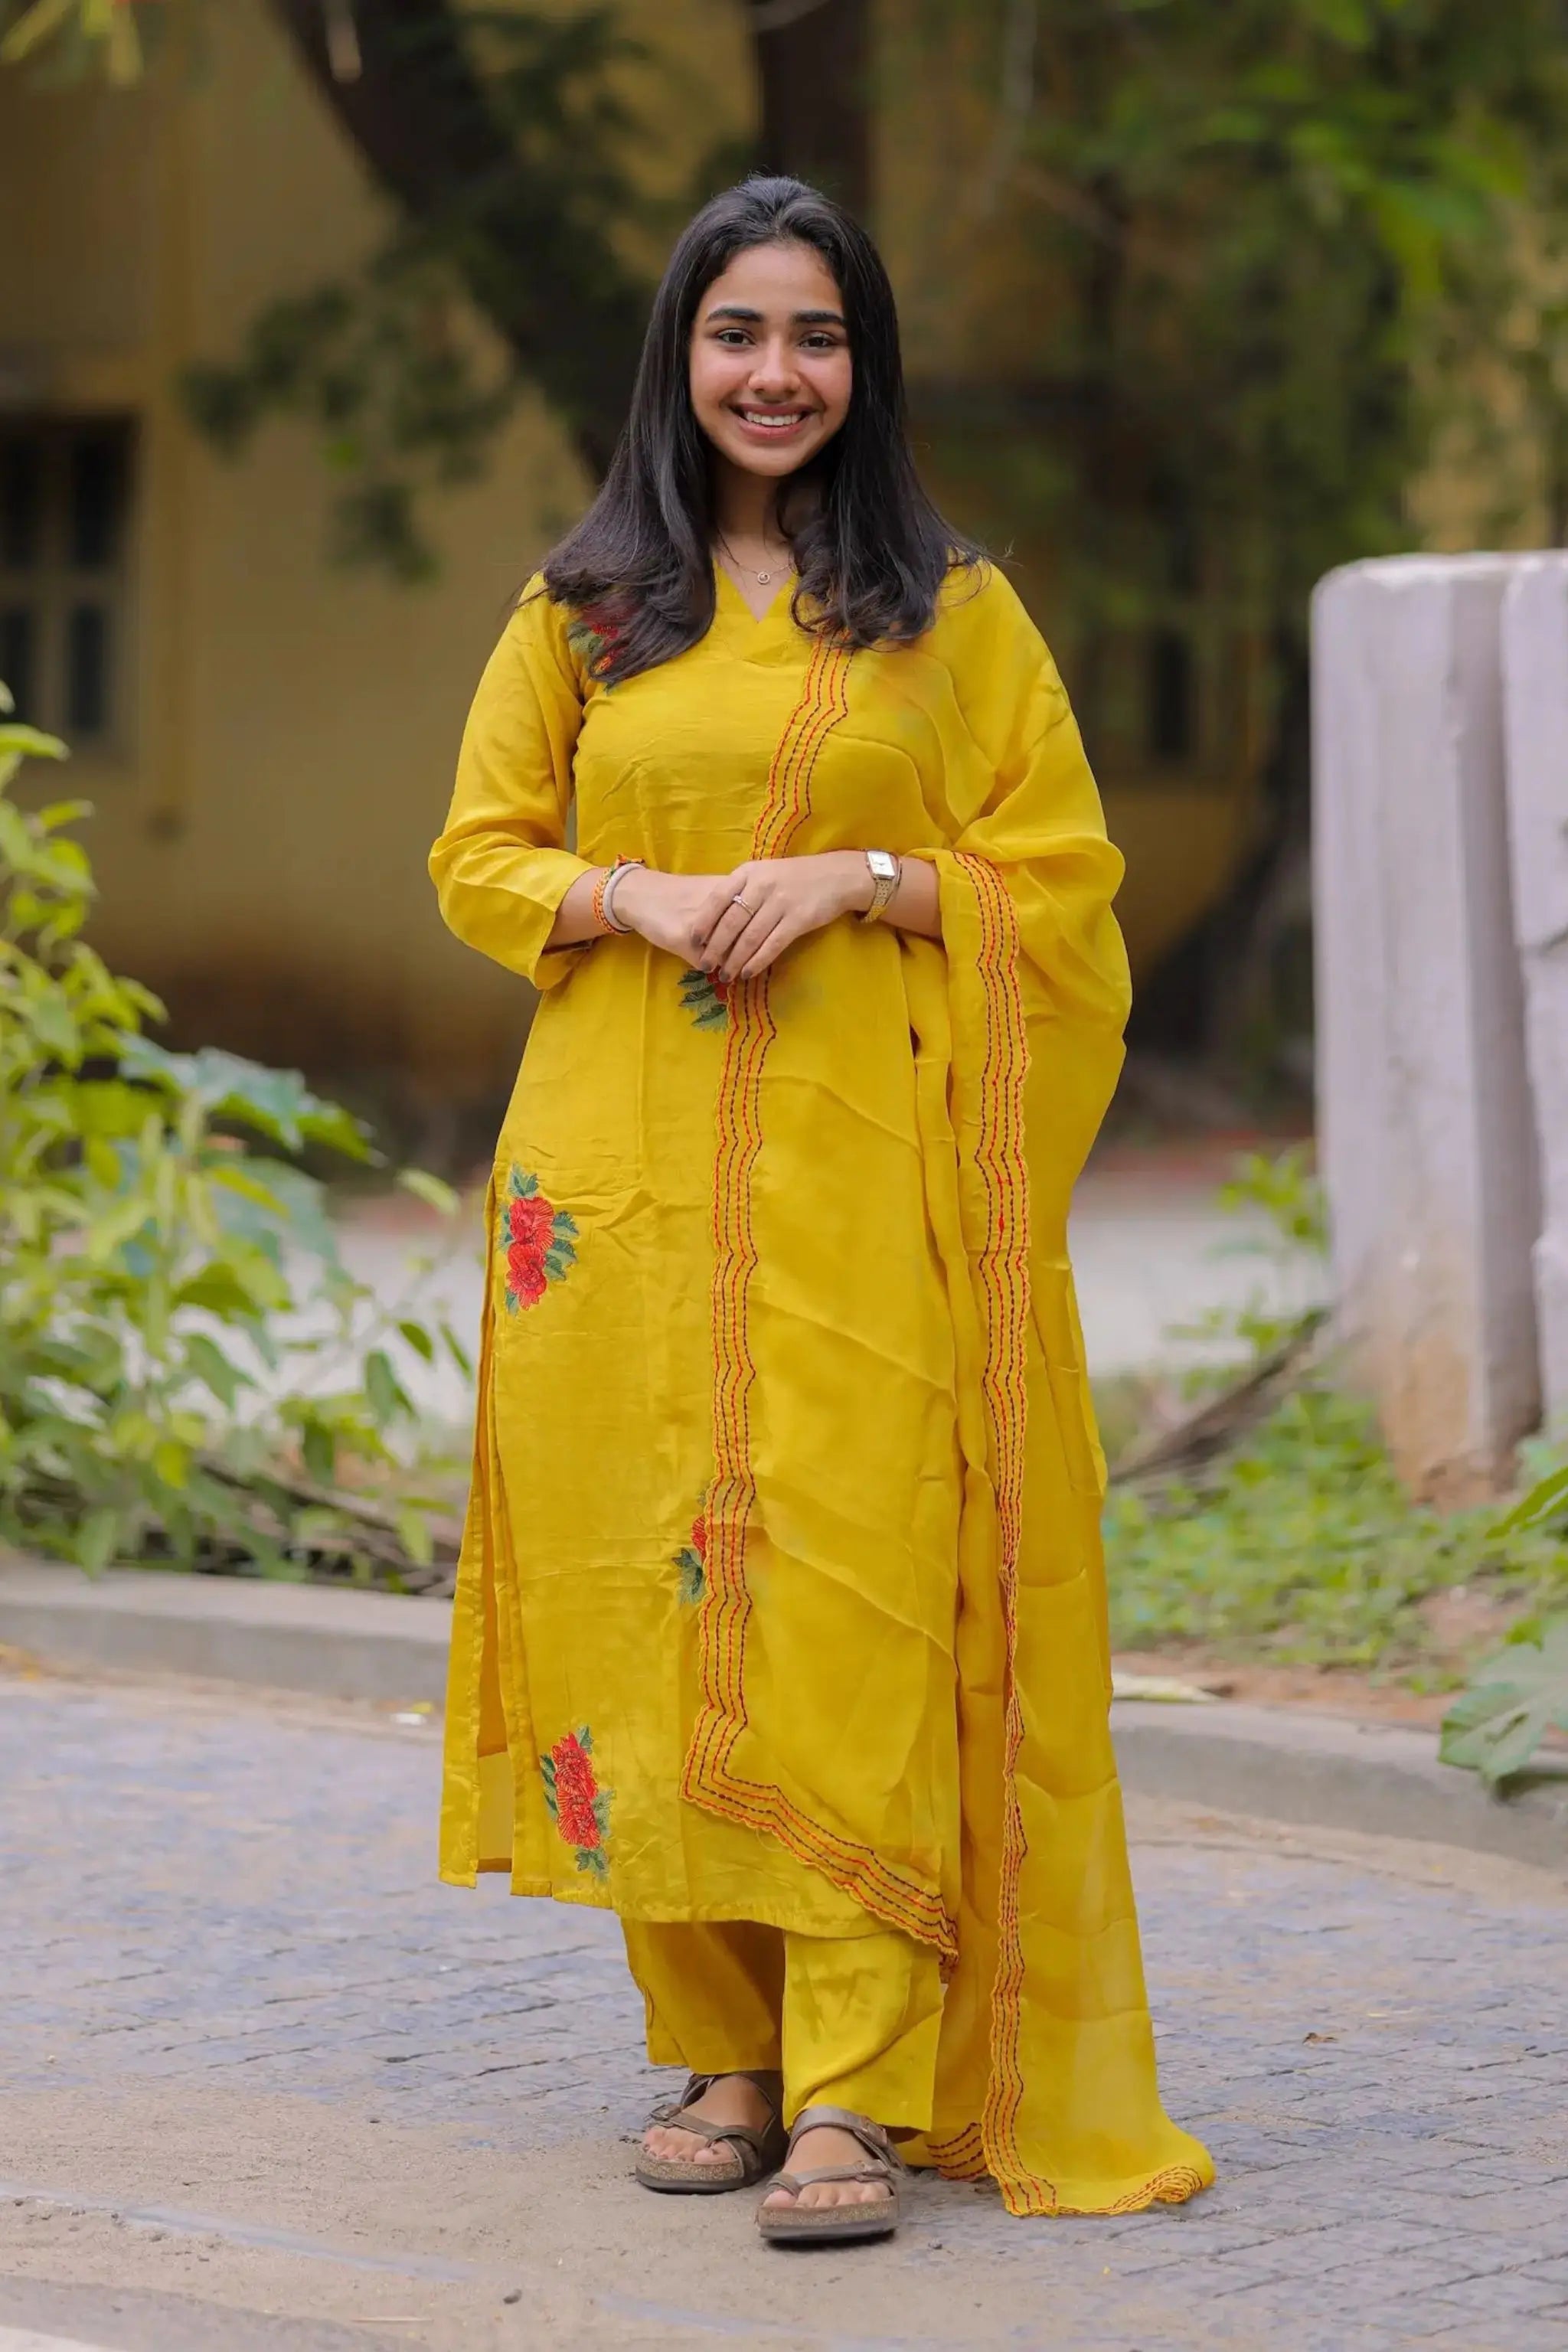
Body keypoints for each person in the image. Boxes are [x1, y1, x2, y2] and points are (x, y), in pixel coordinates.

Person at [430, 174, 1213, 2246]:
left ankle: (858, 2092)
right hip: (610, 1200)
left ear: (865, 370)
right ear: (679, 357)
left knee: (851, 1596)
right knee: (642, 1591)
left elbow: (1062, 887)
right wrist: (635, 892)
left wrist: (875, 884)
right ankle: (721, 2055)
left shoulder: (952, 614)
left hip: (866, 1203)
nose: (777, 374)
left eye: (818, 337)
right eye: (739, 333)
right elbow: (477, 853)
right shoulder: (585, 609)